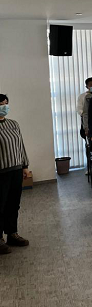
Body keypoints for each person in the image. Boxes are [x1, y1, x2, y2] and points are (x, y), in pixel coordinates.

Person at [0, 94, 30, 254]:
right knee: (1, 205)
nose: (4, 106)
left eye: (6, 103)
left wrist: (25, 165)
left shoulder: (13, 124)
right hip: (1, 172)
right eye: (1, 104)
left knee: (13, 204)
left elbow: (20, 145)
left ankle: (12, 234)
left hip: (16, 169)